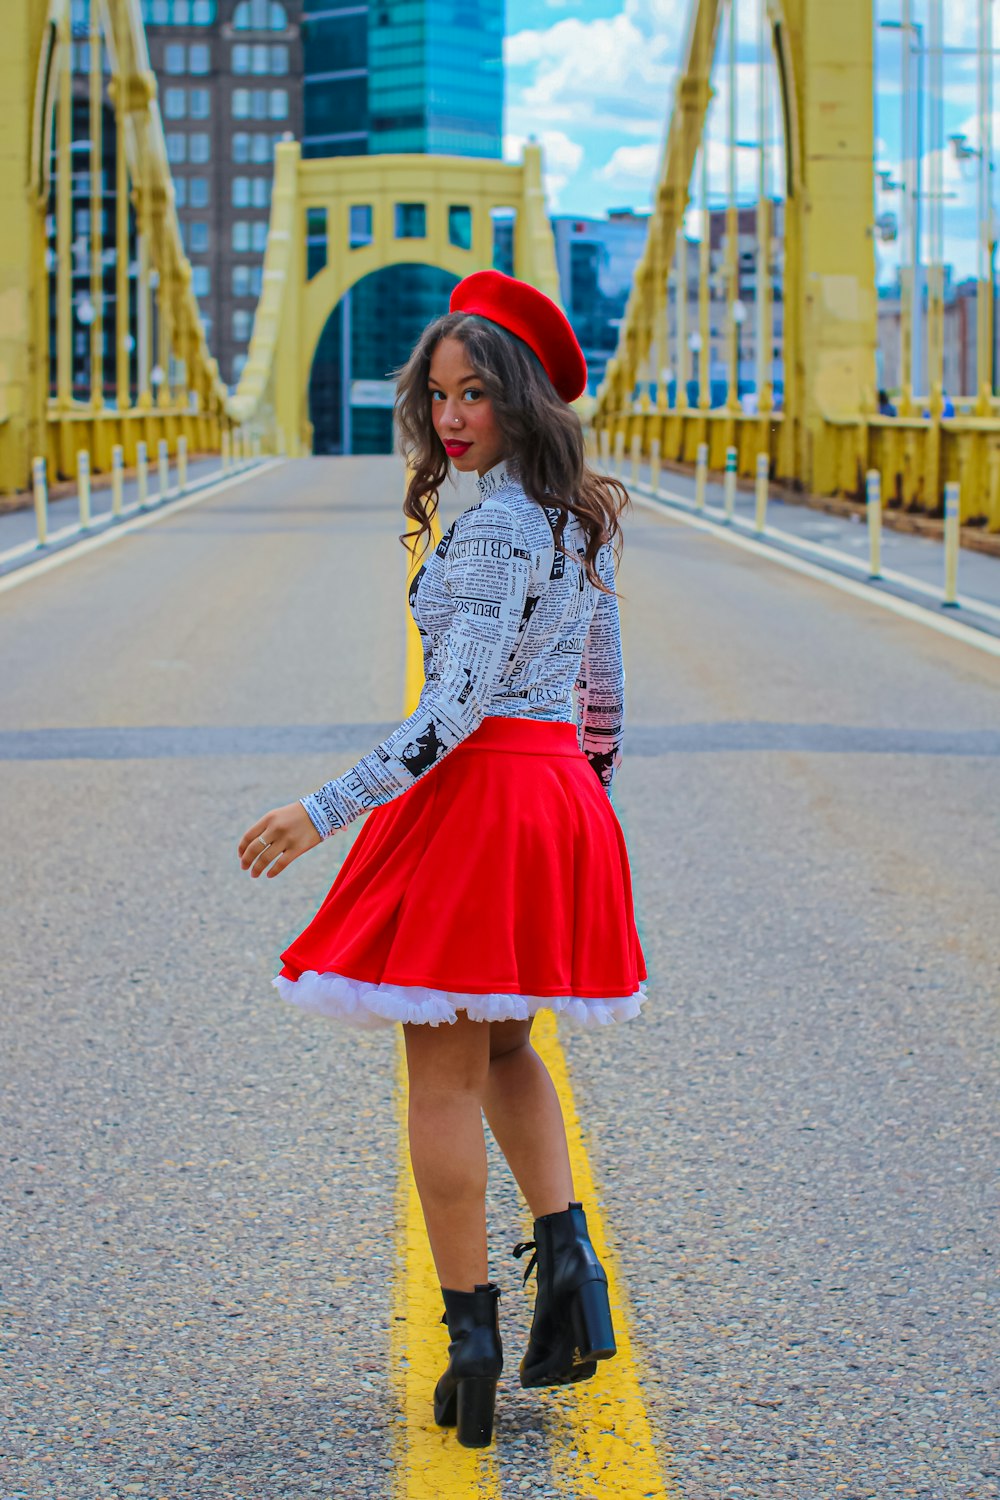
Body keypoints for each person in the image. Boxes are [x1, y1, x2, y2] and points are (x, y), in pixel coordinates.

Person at [237, 269, 649, 1450]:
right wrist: (581, 821)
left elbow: (451, 710)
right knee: (512, 1042)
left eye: (475, 394)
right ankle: (572, 1277)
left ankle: (469, 1340)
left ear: (522, 400)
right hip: (558, 801)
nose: (452, 416)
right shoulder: (580, 521)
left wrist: (323, 811)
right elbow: (603, 701)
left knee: (440, 1077)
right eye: (439, 395)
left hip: (477, 805)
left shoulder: (495, 530)